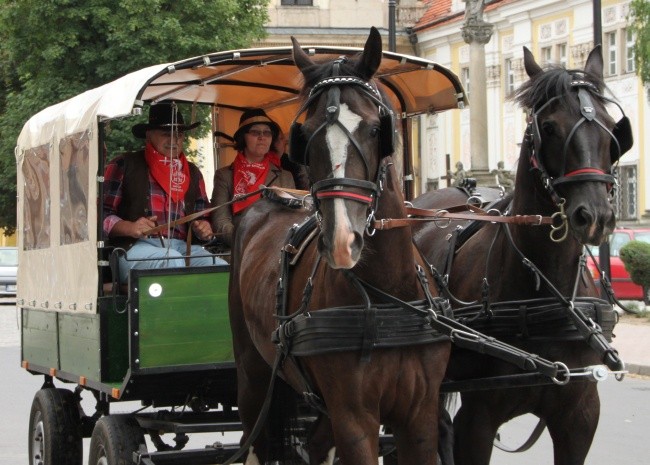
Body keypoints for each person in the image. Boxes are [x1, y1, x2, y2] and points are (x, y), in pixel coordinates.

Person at [103, 102, 226, 283]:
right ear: (148, 135)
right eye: (166, 134)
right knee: (172, 261)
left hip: (183, 247)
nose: (174, 140)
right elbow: (101, 215)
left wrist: (203, 228)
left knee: (221, 268)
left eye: (179, 135)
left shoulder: (192, 172)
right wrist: (130, 227)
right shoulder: (124, 164)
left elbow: (204, 215)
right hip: (132, 249)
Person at [211, 108, 297, 247]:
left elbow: (293, 218)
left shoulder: (285, 177)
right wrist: (247, 242)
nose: (262, 137)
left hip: (275, 249)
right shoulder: (224, 175)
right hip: (239, 251)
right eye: (255, 132)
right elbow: (220, 223)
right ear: (243, 138)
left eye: (267, 133)